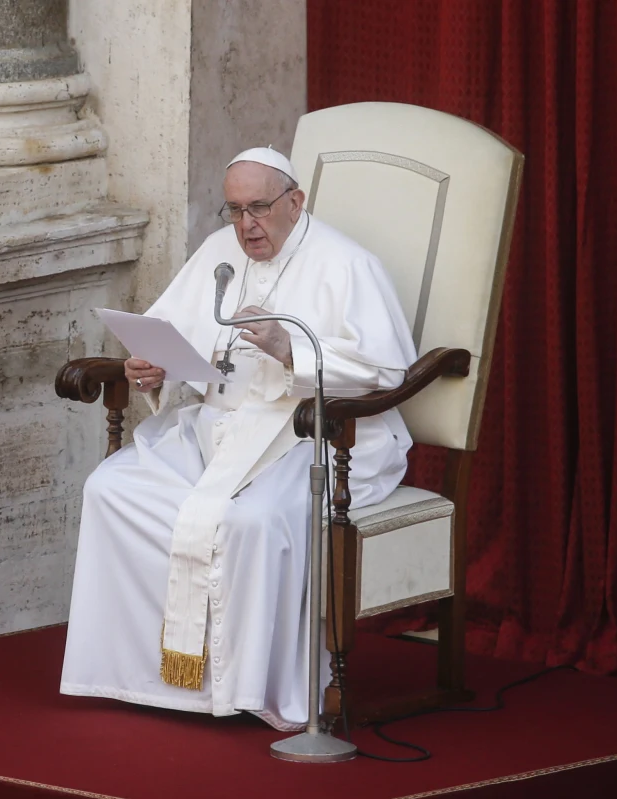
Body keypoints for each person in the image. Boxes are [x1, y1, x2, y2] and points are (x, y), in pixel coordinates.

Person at [60, 147, 417, 730]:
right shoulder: (219, 254)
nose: (247, 226)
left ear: (295, 202)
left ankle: (247, 687)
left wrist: (290, 349)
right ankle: (145, 677)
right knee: (112, 489)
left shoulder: (347, 264)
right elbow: (179, 335)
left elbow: (387, 373)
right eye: (234, 211)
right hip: (218, 425)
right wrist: (155, 369)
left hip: (315, 436)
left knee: (250, 522)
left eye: (259, 208)